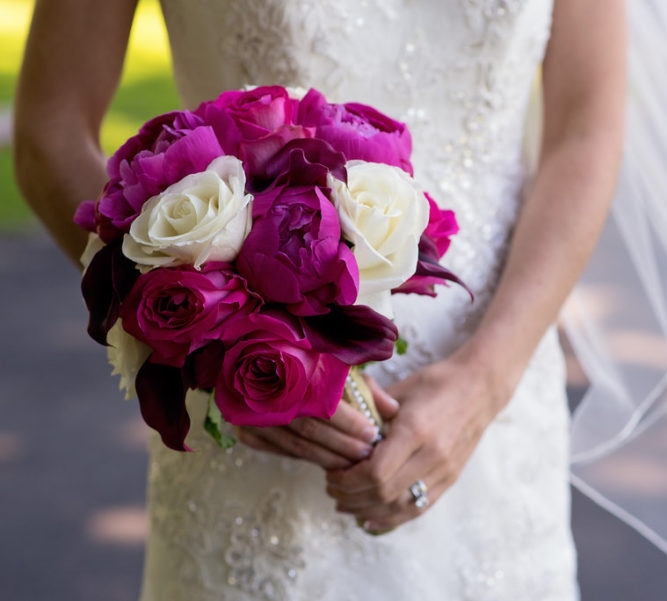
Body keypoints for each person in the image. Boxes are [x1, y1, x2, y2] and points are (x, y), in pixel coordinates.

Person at [14, 0, 625, 599]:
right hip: (247, 418)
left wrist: (487, 380)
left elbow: (585, 130)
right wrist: (212, 345)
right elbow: (53, 130)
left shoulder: (489, 387)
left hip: (494, 403)